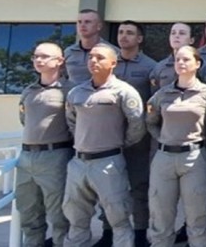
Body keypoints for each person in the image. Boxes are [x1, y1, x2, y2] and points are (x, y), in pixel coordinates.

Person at [62, 44, 146, 246]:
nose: (93, 61)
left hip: (108, 163)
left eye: (100, 58)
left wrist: (119, 143)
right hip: (79, 163)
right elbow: (71, 121)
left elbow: (137, 125)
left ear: (113, 63)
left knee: (119, 218)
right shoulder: (76, 92)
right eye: (91, 57)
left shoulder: (124, 92)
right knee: (76, 218)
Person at [146, 46, 206, 247]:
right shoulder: (163, 94)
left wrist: (204, 140)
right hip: (164, 158)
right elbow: (150, 122)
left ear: (197, 64)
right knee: (160, 215)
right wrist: (163, 138)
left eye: (186, 59)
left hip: (194, 158)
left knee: (197, 216)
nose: (181, 63)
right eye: (177, 59)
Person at [17, 42, 74, 247]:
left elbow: (75, 123)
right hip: (26, 157)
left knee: (59, 215)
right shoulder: (28, 90)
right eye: (35, 56)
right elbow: (24, 119)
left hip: (55, 156)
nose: (38, 60)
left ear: (59, 61)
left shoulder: (69, 91)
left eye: (44, 56)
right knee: (28, 213)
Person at [114, 20, 157, 242]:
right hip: (110, 136)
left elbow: (154, 104)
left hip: (140, 138)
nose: (124, 36)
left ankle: (141, 231)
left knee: (140, 185)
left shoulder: (151, 67)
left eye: (130, 33)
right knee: (110, 189)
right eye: (121, 32)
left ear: (139, 39)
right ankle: (109, 231)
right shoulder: (109, 63)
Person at [63, 9, 115, 84]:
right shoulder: (68, 52)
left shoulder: (112, 52)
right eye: (79, 22)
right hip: (73, 91)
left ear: (99, 26)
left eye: (87, 22)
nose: (82, 25)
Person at [149, 22, 197, 90]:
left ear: (191, 40)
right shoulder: (160, 67)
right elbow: (155, 94)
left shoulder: (200, 66)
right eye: (173, 33)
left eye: (182, 33)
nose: (176, 36)